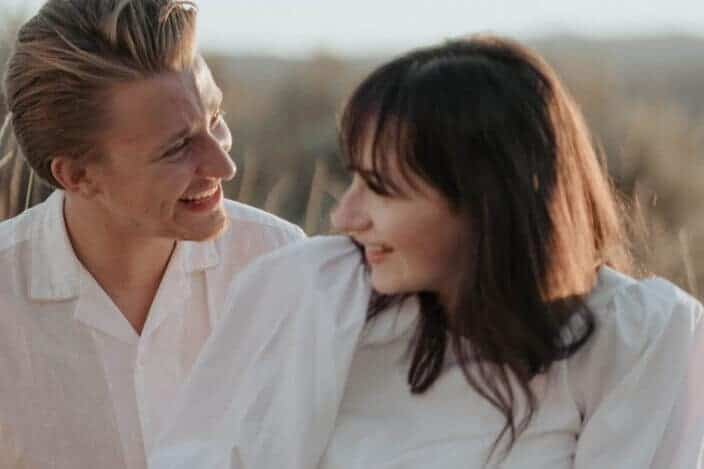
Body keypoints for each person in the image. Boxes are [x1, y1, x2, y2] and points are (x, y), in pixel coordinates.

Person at [151, 35, 704, 468]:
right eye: (352, 180)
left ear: (484, 202)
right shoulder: (311, 292)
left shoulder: (641, 336)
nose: (345, 218)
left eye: (382, 188)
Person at [0, 1, 304, 468]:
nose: (224, 165)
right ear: (78, 175)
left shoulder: (280, 265)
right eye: (178, 147)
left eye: (216, 119)